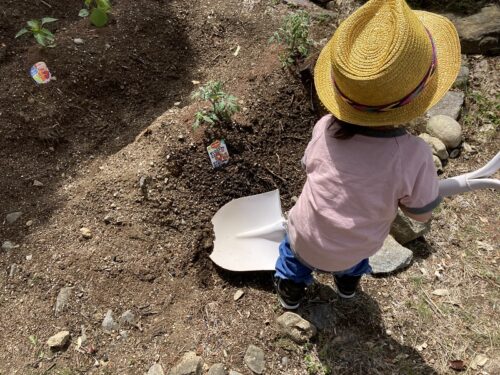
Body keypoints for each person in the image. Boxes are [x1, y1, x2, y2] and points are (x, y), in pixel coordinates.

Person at [274, 0, 461, 309]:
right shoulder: (413, 155)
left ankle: (291, 292)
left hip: (305, 238)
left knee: (292, 258)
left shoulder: (324, 128)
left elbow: (310, 166)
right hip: (356, 247)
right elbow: (419, 214)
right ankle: (347, 284)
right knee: (354, 258)